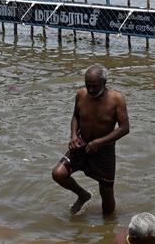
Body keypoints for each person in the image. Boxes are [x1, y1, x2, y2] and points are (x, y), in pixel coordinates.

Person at [51, 64, 130, 216]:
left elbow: (124, 128)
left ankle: (107, 228)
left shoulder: (117, 99)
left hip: (104, 149)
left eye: (95, 86)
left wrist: (100, 142)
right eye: (88, 86)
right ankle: (83, 195)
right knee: (58, 174)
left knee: (106, 192)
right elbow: (75, 117)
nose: (91, 90)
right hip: (81, 144)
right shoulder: (81, 94)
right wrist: (73, 135)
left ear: (104, 83)